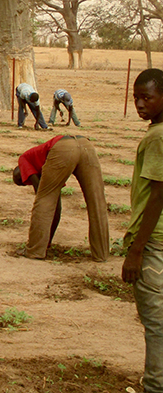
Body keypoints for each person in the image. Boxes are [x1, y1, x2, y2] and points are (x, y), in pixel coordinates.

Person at [122, 68, 163, 393]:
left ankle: (154, 385)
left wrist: (136, 250)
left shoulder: (157, 138)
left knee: (156, 322)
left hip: (153, 243)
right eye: (136, 97)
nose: (139, 103)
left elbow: (158, 194)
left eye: (146, 97)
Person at [12, 136, 109, 261]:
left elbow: (44, 199)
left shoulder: (24, 160)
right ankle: (101, 253)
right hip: (86, 146)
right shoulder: (43, 161)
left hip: (63, 148)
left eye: (24, 181)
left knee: (44, 201)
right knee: (97, 199)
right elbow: (56, 208)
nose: (27, 182)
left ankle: (35, 250)